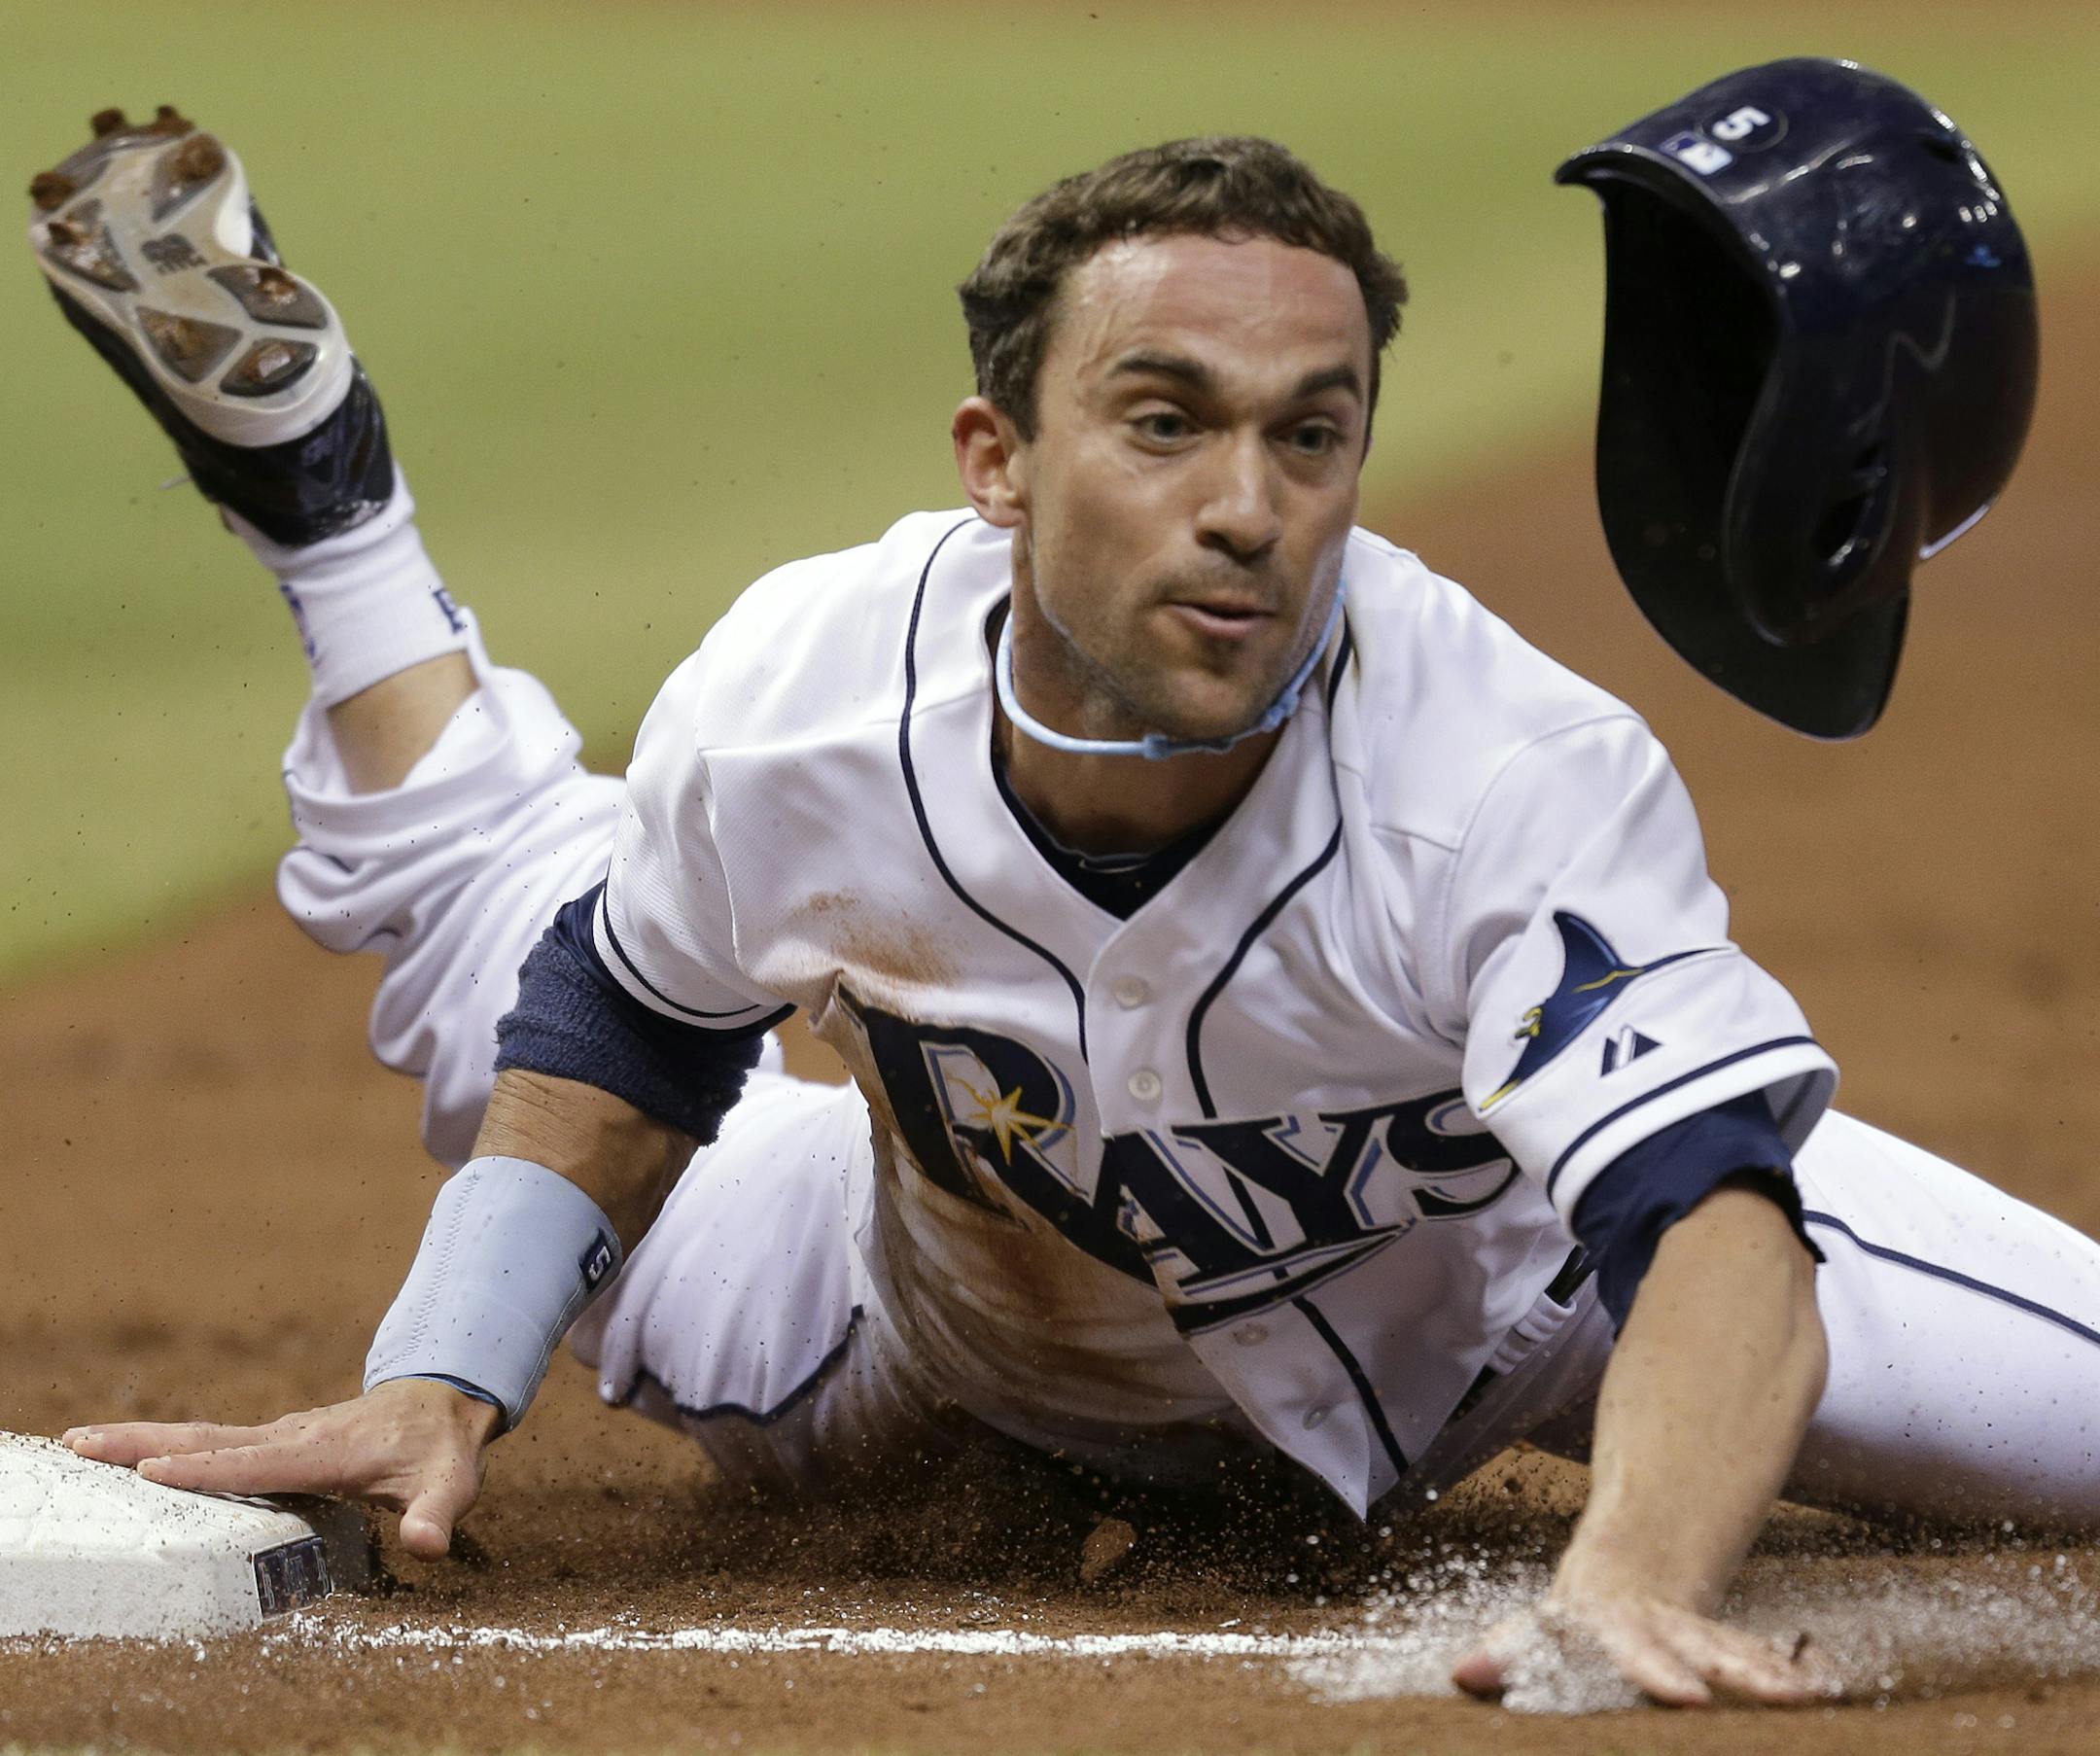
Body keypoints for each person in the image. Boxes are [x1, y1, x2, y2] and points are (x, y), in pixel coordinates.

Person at [33, 108, 2100, 1711]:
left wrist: (1638, 1565)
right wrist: (444, 1374)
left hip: (1512, 1321)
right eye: (1168, 419)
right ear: (996, 461)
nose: (1249, 507)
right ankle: (336, 523)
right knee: (518, 946)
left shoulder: (1503, 775)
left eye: (1315, 435)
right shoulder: (809, 702)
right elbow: (626, 1025)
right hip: (928, 1332)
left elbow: (1713, 1223)